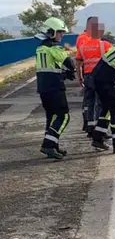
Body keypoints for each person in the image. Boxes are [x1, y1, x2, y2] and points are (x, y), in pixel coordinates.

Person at [35, 17, 76, 159]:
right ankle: (48, 145)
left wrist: (63, 73)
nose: (62, 35)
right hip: (54, 88)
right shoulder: (54, 47)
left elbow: (49, 69)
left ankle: (53, 146)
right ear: (51, 32)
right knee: (64, 116)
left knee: (52, 117)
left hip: (43, 88)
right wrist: (71, 69)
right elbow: (69, 62)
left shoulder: (40, 47)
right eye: (60, 32)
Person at [76, 17, 113, 137]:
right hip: (100, 77)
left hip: (87, 76)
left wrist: (80, 77)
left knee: (90, 101)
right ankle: (100, 129)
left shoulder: (83, 46)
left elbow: (78, 63)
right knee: (101, 103)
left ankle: (90, 126)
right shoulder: (105, 45)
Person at [74, 17, 95, 132]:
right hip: (88, 73)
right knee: (89, 100)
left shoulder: (88, 38)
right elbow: (80, 59)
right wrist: (80, 76)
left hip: (90, 73)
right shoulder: (83, 38)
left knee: (90, 99)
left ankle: (90, 123)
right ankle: (88, 123)